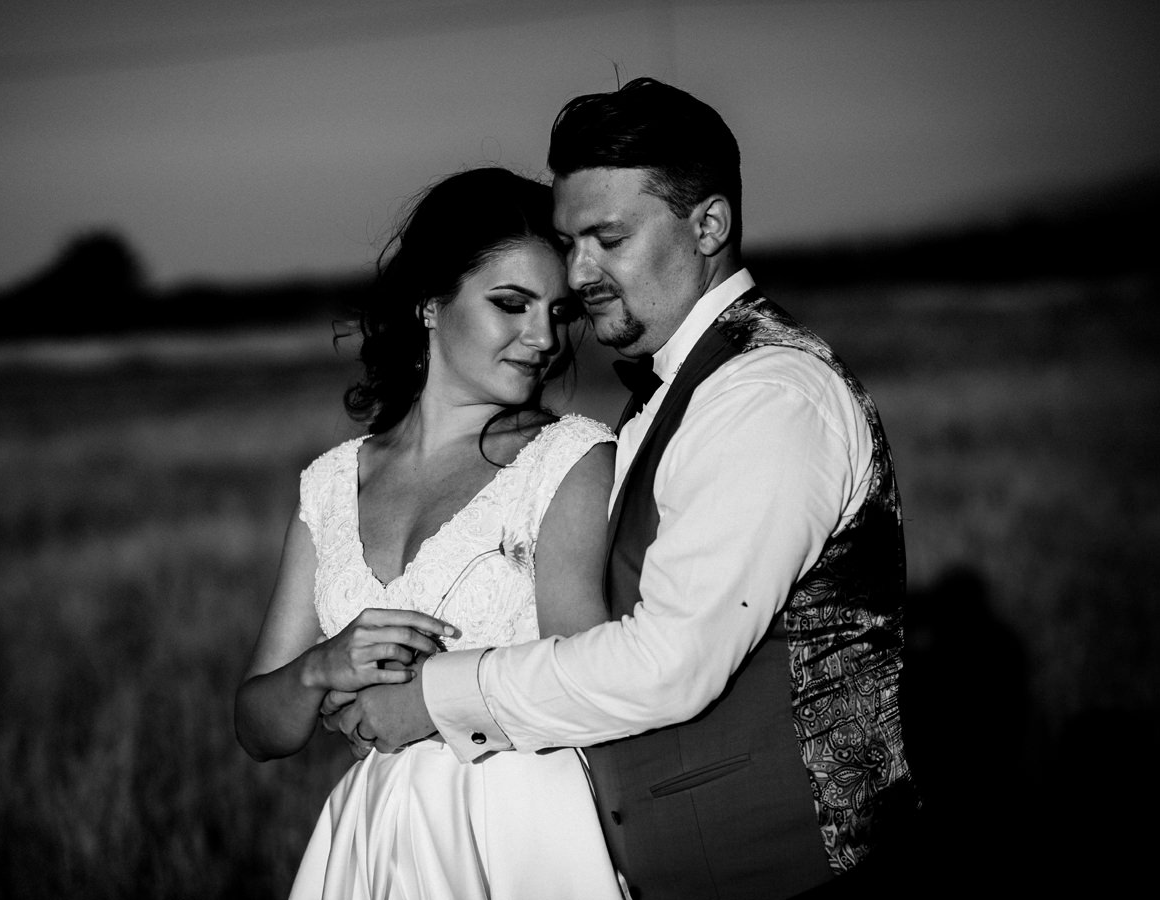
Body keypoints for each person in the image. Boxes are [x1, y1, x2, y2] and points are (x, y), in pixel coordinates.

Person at [333, 78, 921, 899]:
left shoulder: (767, 396)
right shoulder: (671, 392)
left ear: (708, 226)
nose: (579, 273)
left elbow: (671, 661)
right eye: (570, 242)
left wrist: (436, 696)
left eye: (608, 238)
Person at [234, 166, 628, 899]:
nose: (543, 337)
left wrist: (429, 701)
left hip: (521, 838)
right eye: (511, 304)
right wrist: (322, 668)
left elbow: (586, 682)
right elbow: (258, 727)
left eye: (559, 311)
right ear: (429, 303)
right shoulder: (332, 483)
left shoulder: (569, 460)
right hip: (373, 844)